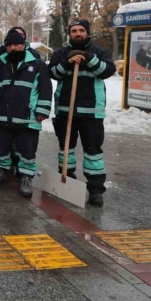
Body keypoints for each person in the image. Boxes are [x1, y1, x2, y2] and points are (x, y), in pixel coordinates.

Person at [49, 19, 116, 207]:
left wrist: (88, 58)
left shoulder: (100, 52)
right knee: (65, 150)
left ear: (87, 33)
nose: (77, 34)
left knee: (93, 152)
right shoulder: (60, 53)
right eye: (74, 31)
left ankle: (95, 190)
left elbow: (107, 71)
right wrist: (69, 61)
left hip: (91, 113)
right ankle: (66, 181)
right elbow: (53, 73)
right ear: (69, 34)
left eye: (81, 30)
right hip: (65, 110)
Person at [0, 31, 52, 196]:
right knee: (1, 146)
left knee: (27, 149)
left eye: (17, 44)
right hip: (2, 114)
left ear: (24, 45)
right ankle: (1, 170)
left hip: (27, 117)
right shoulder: (0, 66)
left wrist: (42, 110)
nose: (14, 48)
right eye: (10, 45)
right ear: (6, 47)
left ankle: (26, 177)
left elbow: (45, 89)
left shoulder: (37, 65)